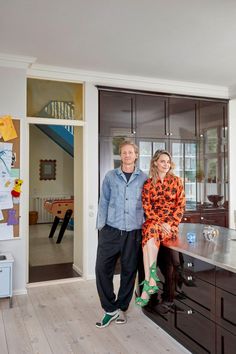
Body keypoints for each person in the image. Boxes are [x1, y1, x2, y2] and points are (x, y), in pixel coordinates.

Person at [95, 140, 147, 328]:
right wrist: (101, 227)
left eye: (130, 152)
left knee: (129, 272)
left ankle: (122, 308)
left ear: (136, 155)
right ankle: (110, 309)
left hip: (134, 232)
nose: (127, 155)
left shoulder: (144, 178)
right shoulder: (110, 176)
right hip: (110, 229)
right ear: (120, 155)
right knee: (102, 269)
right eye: (124, 152)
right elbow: (103, 201)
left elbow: (148, 205)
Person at [136, 150, 186, 307]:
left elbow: (181, 205)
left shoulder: (176, 181)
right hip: (154, 222)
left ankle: (149, 284)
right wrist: (160, 223)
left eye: (168, 162)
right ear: (155, 163)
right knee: (149, 236)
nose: (166, 164)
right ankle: (150, 281)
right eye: (162, 161)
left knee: (158, 250)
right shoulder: (148, 184)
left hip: (170, 224)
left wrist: (170, 224)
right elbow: (147, 207)